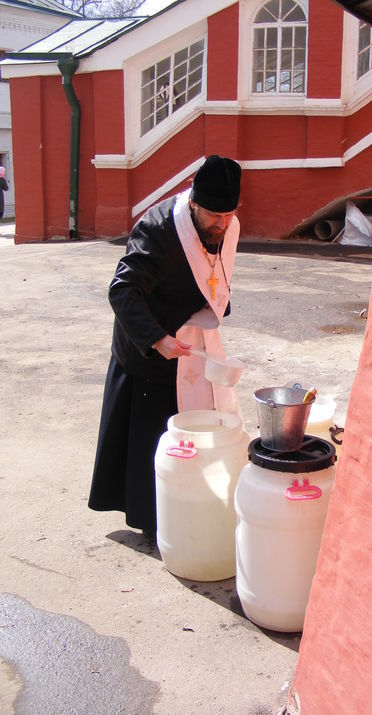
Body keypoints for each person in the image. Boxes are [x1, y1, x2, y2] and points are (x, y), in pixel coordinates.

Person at [88, 155, 242, 539]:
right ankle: (153, 523)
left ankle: (187, 507)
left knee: (191, 427)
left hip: (187, 340)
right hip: (148, 344)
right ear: (193, 201)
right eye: (213, 216)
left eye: (228, 215)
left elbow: (212, 271)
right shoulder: (157, 230)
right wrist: (156, 338)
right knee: (150, 439)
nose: (221, 225)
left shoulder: (225, 224)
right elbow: (122, 290)